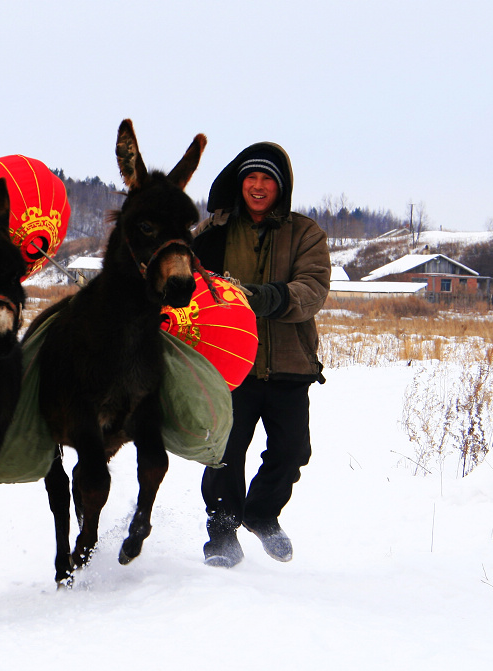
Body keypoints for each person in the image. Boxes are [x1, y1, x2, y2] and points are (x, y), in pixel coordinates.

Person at [192, 142, 331, 568]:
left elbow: (313, 290)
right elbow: (185, 284)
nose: (257, 186)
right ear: (240, 182)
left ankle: (262, 514)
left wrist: (264, 298)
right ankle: (222, 534)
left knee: (292, 451)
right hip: (229, 365)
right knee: (224, 452)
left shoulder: (306, 233)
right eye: (251, 177)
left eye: (267, 178)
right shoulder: (212, 233)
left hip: (290, 362)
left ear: (281, 186)